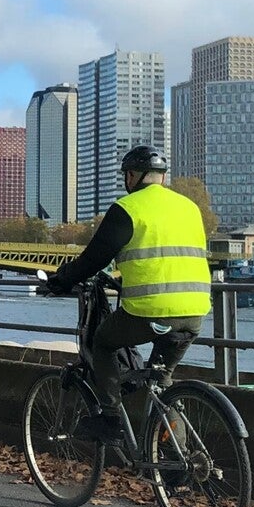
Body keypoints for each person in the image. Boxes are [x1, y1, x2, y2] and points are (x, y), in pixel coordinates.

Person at [46, 146, 211, 444]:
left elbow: (94, 258)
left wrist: (62, 280)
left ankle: (109, 419)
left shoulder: (128, 208)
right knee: (162, 380)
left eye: (126, 175)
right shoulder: (190, 207)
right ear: (161, 177)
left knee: (103, 342)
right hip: (196, 310)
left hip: (151, 310)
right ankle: (178, 459)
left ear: (133, 176)